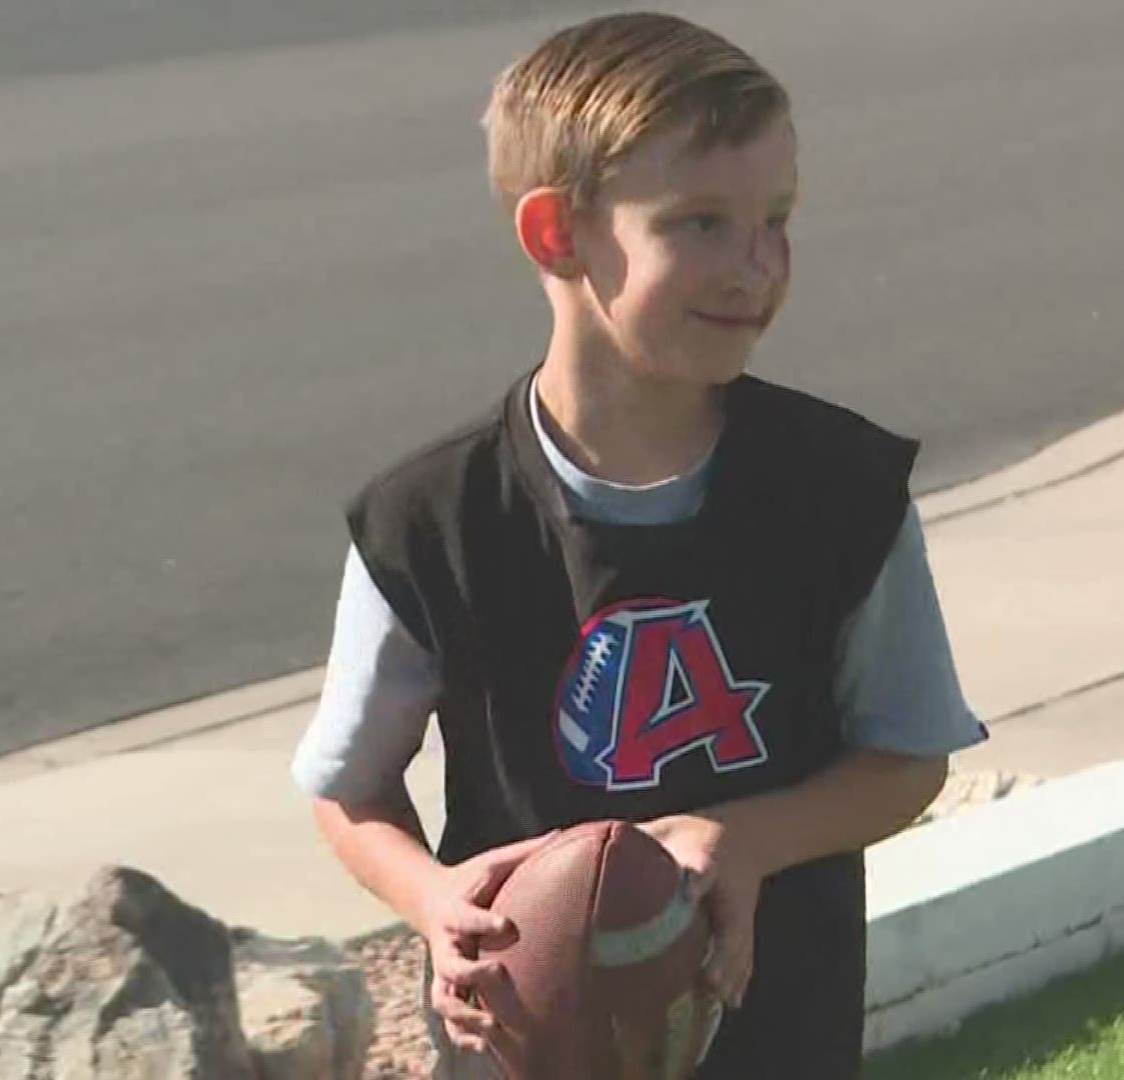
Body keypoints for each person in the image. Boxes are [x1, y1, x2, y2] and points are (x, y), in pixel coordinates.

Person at [291, 11, 988, 1077]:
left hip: (773, 1035)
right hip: (524, 1047)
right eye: (700, 222)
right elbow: (351, 791)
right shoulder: (429, 519)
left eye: (777, 218)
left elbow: (907, 761)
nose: (755, 265)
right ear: (557, 234)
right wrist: (437, 902)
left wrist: (745, 841)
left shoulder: (839, 492)